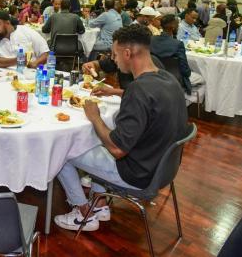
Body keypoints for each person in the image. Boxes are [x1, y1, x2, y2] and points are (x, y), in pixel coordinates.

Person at [54, 24, 188, 232]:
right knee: (104, 134)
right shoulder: (166, 79)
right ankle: (99, 205)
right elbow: (149, 102)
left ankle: (82, 213)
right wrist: (115, 92)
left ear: (127, 53)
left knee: (62, 151)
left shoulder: (139, 89)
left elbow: (117, 150)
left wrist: (94, 116)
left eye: (115, 54)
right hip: (161, 168)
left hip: (137, 174)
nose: (113, 60)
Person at [150, 14, 192, 94]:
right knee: (201, 79)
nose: (178, 26)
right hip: (174, 79)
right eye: (177, 24)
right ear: (173, 27)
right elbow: (185, 71)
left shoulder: (151, 40)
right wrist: (189, 72)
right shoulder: (178, 44)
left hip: (154, 77)